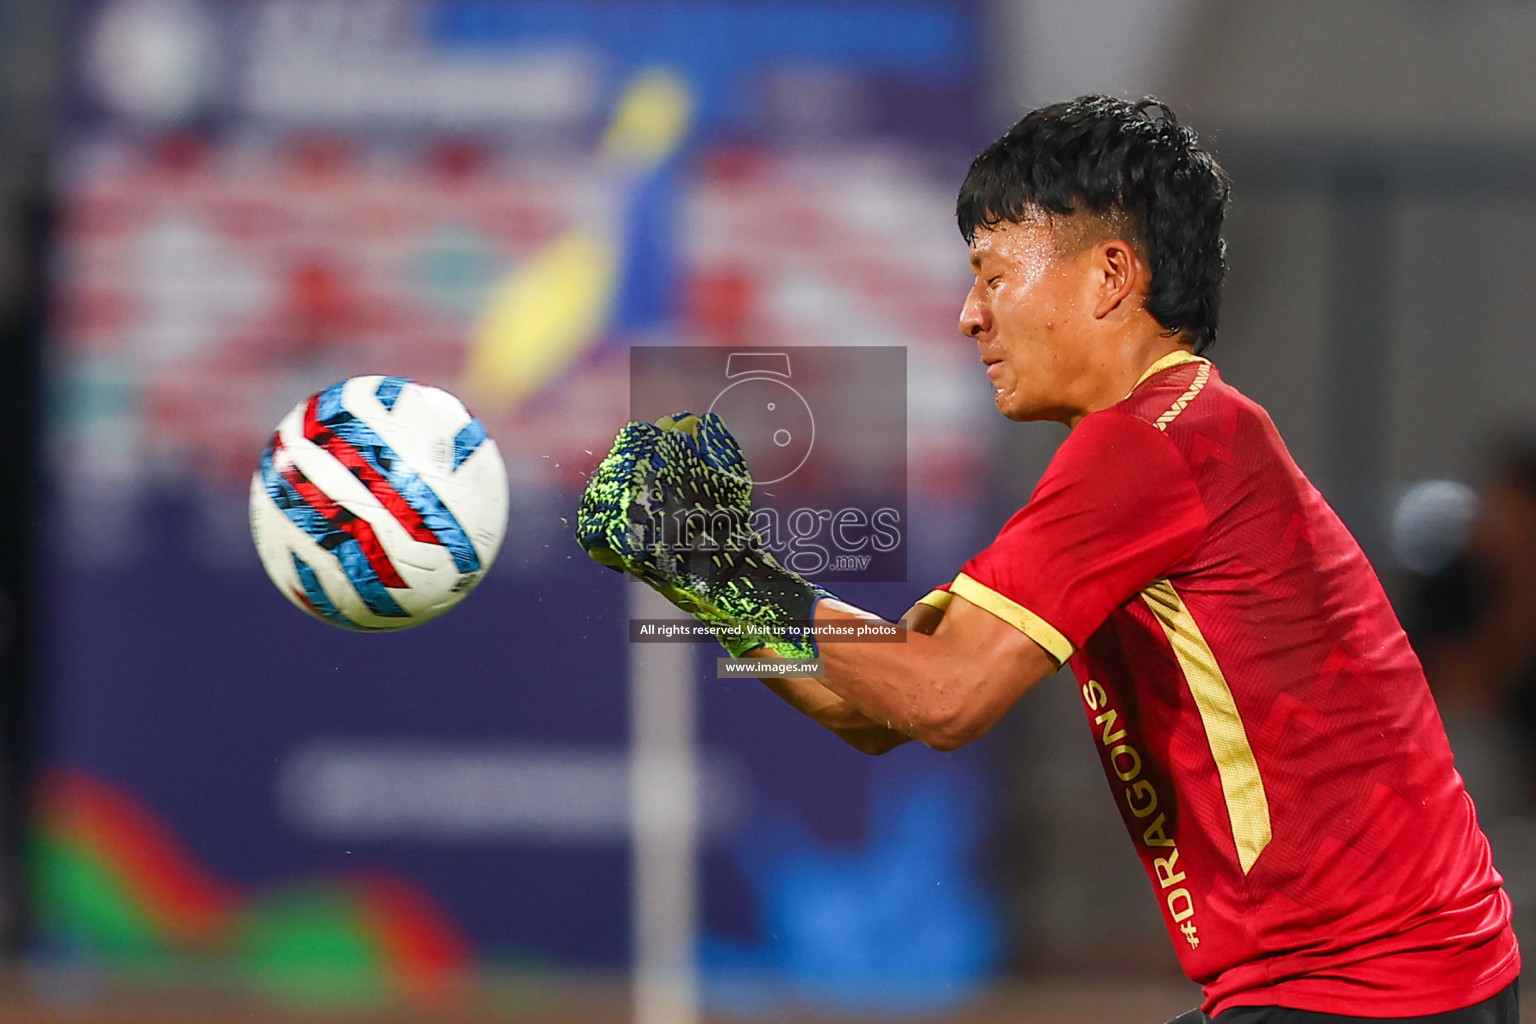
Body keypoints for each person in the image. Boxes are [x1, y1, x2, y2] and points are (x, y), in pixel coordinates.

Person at [577, 96, 1520, 1022]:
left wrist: (711, 564)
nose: (968, 315)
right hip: (1397, 985)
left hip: (1369, 994)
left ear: (1111, 275)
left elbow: (940, 697)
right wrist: (706, 571)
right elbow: (876, 707)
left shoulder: (1152, 447)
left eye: (993, 275)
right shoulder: (1164, 443)